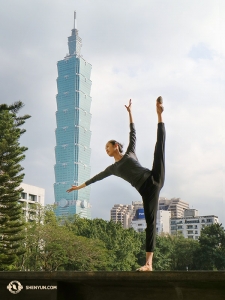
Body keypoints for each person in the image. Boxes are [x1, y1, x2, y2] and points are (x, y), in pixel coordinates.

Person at [67, 97, 165, 271]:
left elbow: (132, 132)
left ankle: (159, 114)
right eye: (105, 149)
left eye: (108, 147)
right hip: (147, 190)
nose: (106, 150)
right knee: (151, 224)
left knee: (159, 147)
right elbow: (95, 178)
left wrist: (130, 113)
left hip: (155, 176)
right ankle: (149, 264)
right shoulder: (112, 168)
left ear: (115, 146)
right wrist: (78, 187)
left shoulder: (130, 153)